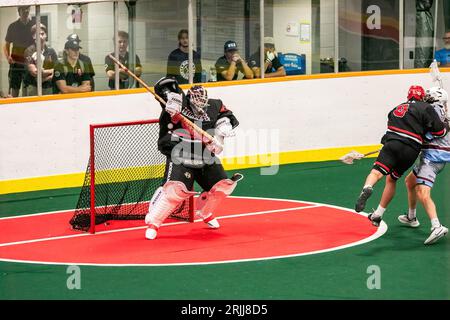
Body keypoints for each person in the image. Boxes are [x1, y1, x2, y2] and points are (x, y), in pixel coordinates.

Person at [144, 77, 243, 240]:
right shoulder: (177, 103)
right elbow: (164, 86)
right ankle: (154, 222)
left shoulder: (215, 104)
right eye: (196, 103)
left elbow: (225, 115)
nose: (200, 107)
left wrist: (221, 132)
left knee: (222, 186)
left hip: (203, 153)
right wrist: (170, 106)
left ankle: (205, 212)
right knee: (175, 191)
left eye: (203, 103)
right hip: (179, 151)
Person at [354, 85, 448, 228]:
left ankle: (368, 187)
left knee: (377, 173)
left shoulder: (395, 109)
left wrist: (389, 143)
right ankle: (379, 214)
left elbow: (390, 128)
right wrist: (446, 125)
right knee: (396, 179)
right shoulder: (427, 108)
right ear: (422, 96)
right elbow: (439, 132)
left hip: (392, 144)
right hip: (411, 150)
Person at [398, 87, 449, 244]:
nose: (425, 98)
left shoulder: (433, 110)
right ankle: (411, 217)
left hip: (432, 158)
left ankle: (436, 226)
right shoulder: (441, 110)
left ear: (434, 98)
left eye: (429, 96)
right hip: (434, 156)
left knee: (422, 191)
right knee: (410, 182)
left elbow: (424, 131)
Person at [2, 6, 34, 97]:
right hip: (16, 63)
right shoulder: (12, 26)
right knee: (14, 89)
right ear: (19, 11)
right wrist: (8, 57)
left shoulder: (34, 25)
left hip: (29, 62)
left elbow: (38, 43)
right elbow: (6, 45)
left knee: (27, 89)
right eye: (23, 9)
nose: (26, 11)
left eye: (27, 9)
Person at [23, 24, 58, 96]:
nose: (41, 37)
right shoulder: (29, 51)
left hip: (48, 87)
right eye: (37, 34)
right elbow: (35, 73)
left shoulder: (51, 52)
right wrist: (50, 71)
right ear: (33, 36)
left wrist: (45, 76)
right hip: (33, 87)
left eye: (42, 34)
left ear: (46, 35)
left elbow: (58, 70)